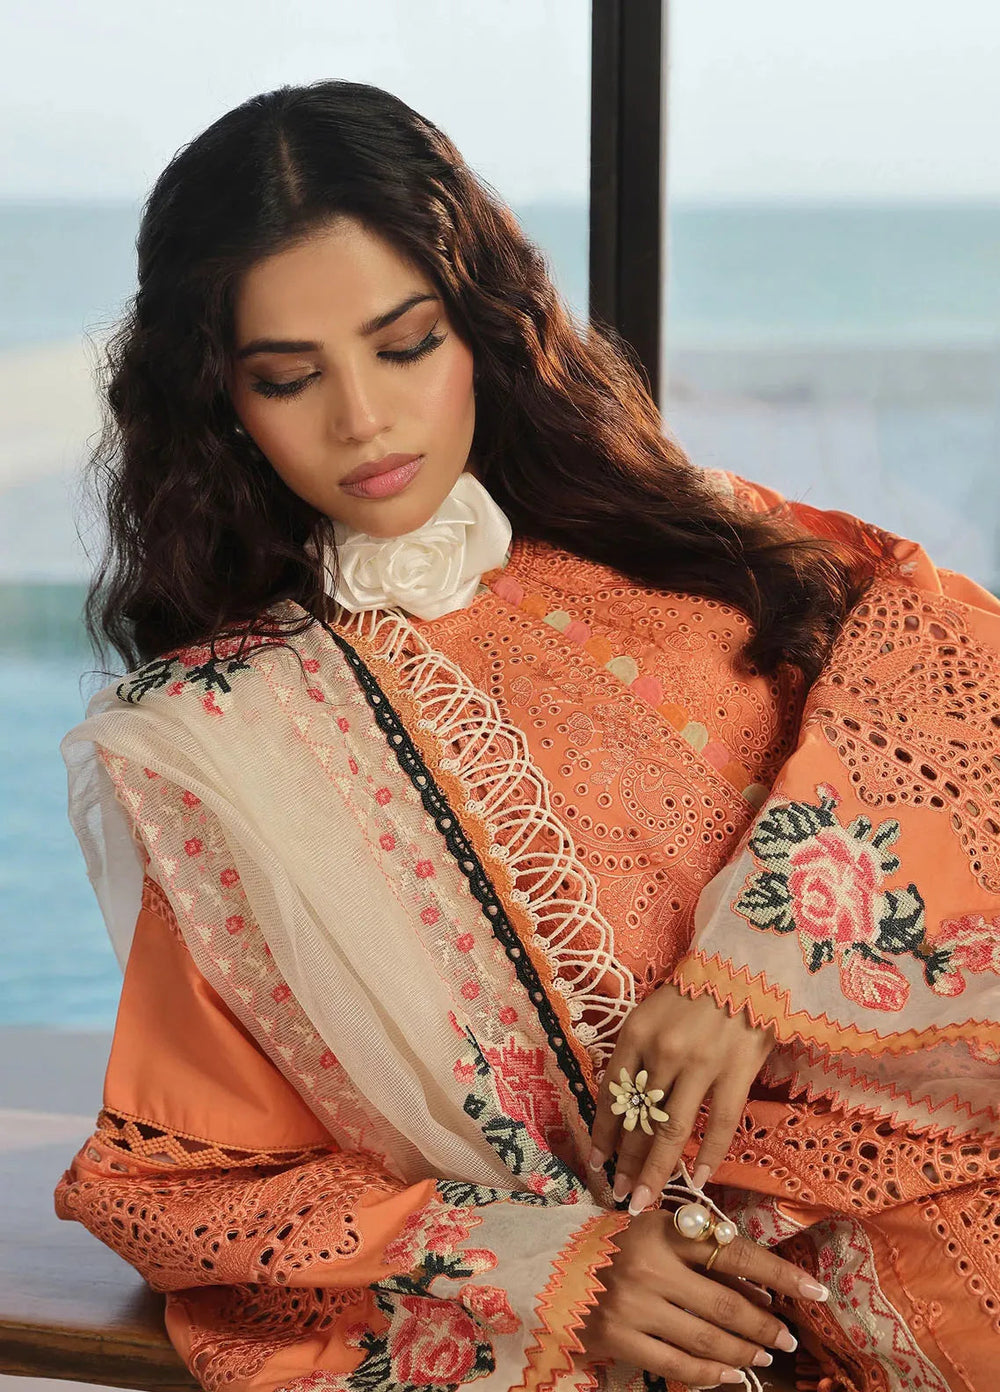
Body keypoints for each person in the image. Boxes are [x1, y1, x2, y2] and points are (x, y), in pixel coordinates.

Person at [54, 79, 1000, 1392]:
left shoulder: (696, 547)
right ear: (220, 402)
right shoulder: (222, 741)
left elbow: (956, 678)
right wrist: (555, 1274)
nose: (362, 421)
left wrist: (753, 971)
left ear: (483, 328)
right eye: (289, 377)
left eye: (404, 346)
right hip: (714, 1337)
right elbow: (184, 1192)